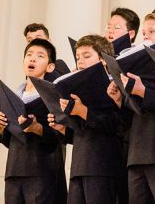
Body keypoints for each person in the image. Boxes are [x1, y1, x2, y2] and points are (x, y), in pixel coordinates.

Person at [107, 12, 155, 204]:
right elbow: (130, 118)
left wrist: (143, 91)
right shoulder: (138, 63)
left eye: (152, 31)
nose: (146, 36)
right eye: (144, 33)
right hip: (136, 152)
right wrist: (119, 100)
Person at [47, 35, 125, 204]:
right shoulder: (78, 87)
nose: (80, 61)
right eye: (77, 57)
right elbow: (81, 132)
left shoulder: (114, 86)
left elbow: (118, 125)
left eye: (87, 56)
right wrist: (63, 129)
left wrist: (83, 111)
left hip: (104, 165)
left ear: (104, 60)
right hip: (79, 165)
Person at [0, 38, 66, 204]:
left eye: (40, 56)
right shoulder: (13, 96)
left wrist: (37, 128)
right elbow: (10, 140)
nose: (32, 59)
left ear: (50, 66)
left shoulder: (53, 96)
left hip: (42, 170)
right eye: (29, 55)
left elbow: (61, 136)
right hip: (14, 170)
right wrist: (0, 128)